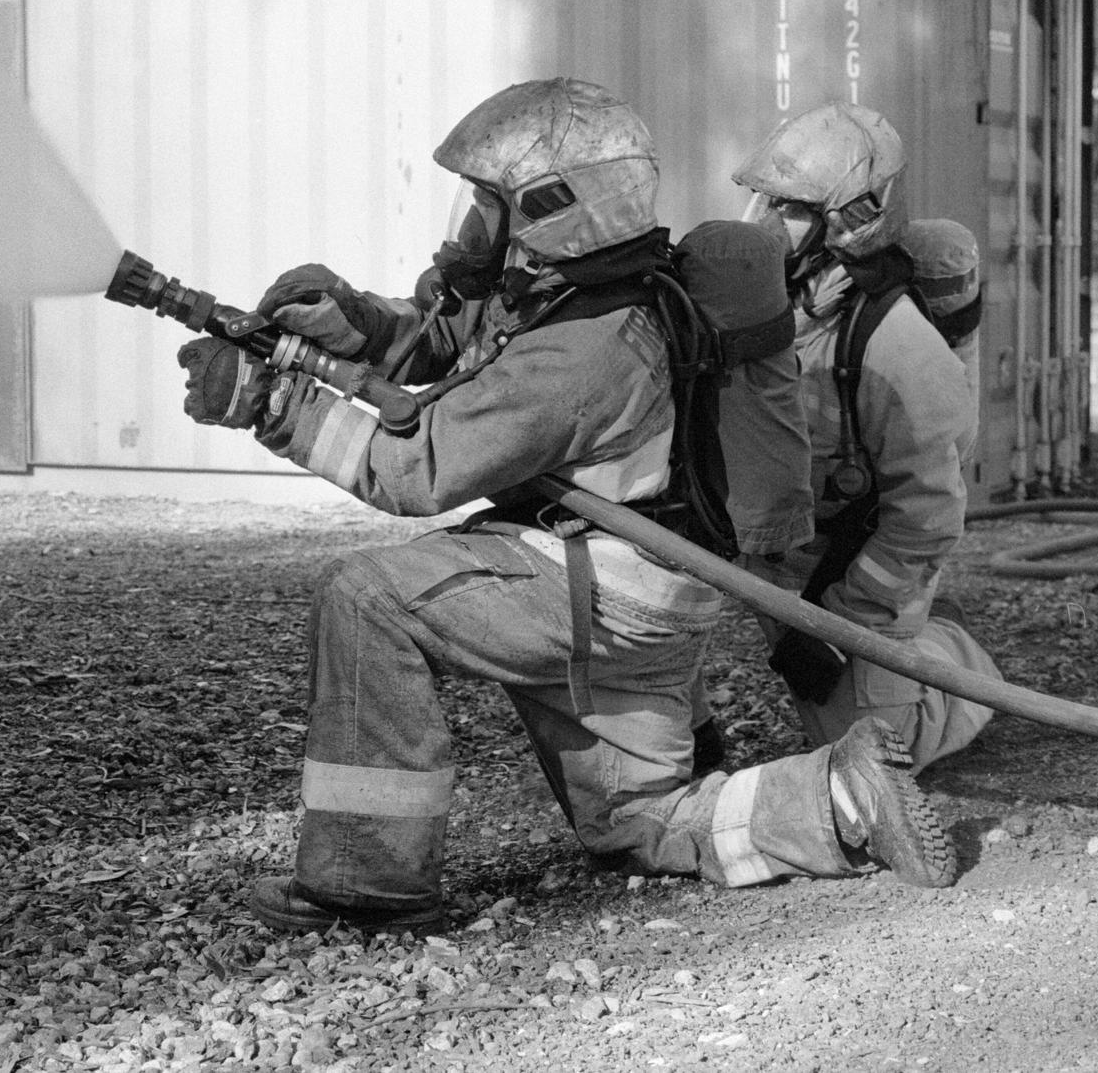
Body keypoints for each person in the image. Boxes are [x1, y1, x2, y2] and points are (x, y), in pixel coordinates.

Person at [174, 80, 957, 935]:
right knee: (642, 824)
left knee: (368, 601)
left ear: (552, 209)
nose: (472, 224)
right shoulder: (596, 290)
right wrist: (355, 323)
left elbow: (415, 463)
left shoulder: (588, 348)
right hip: (653, 597)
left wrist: (272, 403)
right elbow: (458, 343)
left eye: (488, 204)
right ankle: (843, 791)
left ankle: (367, 883)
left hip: (600, 594)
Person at [733, 101, 1000, 772]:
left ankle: (955, 657)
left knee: (876, 753)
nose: (768, 220)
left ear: (852, 220)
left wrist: (840, 625)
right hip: (784, 555)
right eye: (767, 199)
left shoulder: (901, 349)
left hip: (861, 573)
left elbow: (929, 519)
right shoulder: (782, 305)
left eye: (790, 208)